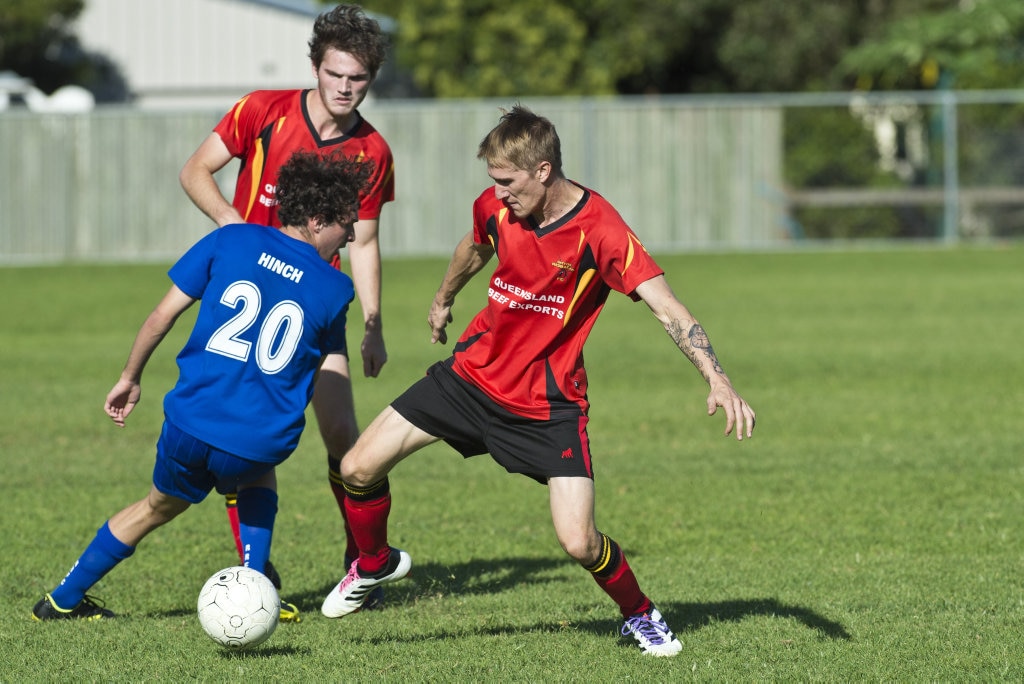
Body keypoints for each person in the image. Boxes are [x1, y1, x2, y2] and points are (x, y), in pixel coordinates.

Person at [318, 106, 757, 657]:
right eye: (492, 182)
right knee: (357, 466)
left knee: (578, 540)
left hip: (546, 404)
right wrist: (443, 298)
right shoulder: (497, 208)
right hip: (469, 378)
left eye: (507, 181)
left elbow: (667, 307)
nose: (497, 193)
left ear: (543, 170)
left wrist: (717, 378)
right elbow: (473, 245)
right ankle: (374, 562)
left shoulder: (601, 230)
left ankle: (640, 614)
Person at [31, 150, 371, 621]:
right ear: (316, 220)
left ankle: (62, 600)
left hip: (188, 423)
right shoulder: (336, 289)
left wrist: (129, 378)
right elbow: (316, 362)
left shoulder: (229, 240)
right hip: (257, 440)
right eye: (346, 224)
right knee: (256, 472)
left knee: (155, 507)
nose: (352, 234)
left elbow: (161, 316)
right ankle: (256, 587)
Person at [178, 4, 394, 609]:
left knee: (344, 438)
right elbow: (196, 171)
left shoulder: (371, 151)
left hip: (318, 309)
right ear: (316, 67)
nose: (346, 88)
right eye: (336, 74)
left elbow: (368, 241)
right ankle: (255, 574)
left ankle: (361, 565)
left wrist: (373, 325)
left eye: (358, 79)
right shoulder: (264, 111)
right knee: (237, 434)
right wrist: (233, 231)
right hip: (246, 304)